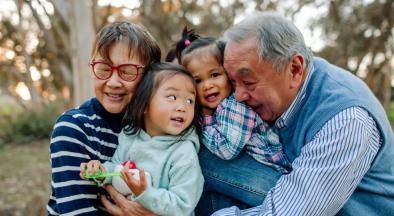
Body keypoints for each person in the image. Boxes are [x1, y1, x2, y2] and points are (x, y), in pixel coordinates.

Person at [199, 11, 394, 216]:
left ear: (294, 69)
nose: (238, 96)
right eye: (232, 82)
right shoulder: (282, 93)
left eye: (248, 82)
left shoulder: (346, 119)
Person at [47, 21, 161, 215]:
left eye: (127, 71)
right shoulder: (73, 129)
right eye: (103, 69)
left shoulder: (156, 127)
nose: (113, 82)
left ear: (149, 77)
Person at [80, 63, 204, 216]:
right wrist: (103, 172)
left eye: (190, 101)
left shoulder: (183, 152)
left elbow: (183, 204)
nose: (182, 107)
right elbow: (117, 167)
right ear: (145, 105)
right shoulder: (131, 137)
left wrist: (145, 193)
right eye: (172, 97)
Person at [177, 36, 291, 174]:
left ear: (229, 75)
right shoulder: (220, 108)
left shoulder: (235, 106)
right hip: (252, 169)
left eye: (214, 75)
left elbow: (226, 151)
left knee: (197, 158)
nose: (207, 85)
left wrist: (202, 123)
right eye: (198, 80)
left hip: (271, 172)